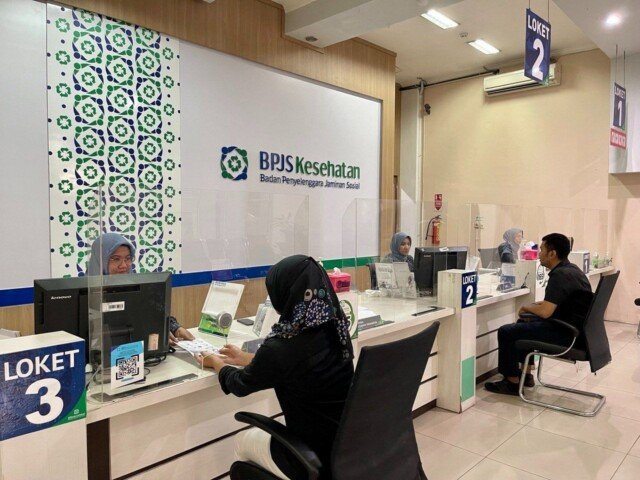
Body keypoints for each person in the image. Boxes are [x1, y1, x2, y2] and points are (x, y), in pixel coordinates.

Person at [196, 255, 354, 479]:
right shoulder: (334, 326)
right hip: (348, 446)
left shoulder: (283, 344)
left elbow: (239, 384)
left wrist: (216, 363)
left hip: (312, 454)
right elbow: (300, 366)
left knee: (241, 442)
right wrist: (249, 358)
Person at [485, 233, 593, 395]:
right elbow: (553, 303)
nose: (538, 254)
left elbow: (545, 312)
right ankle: (527, 375)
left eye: (541, 250)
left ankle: (511, 382)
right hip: (577, 331)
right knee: (524, 323)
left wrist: (526, 307)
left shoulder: (559, 276)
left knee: (506, 331)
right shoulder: (572, 270)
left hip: (567, 335)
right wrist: (531, 307)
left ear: (552, 253)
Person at [87, 232, 194, 345]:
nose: (123, 265)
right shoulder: (86, 292)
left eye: (128, 258)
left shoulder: (135, 287)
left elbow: (153, 311)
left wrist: (173, 328)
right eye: (116, 259)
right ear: (100, 261)